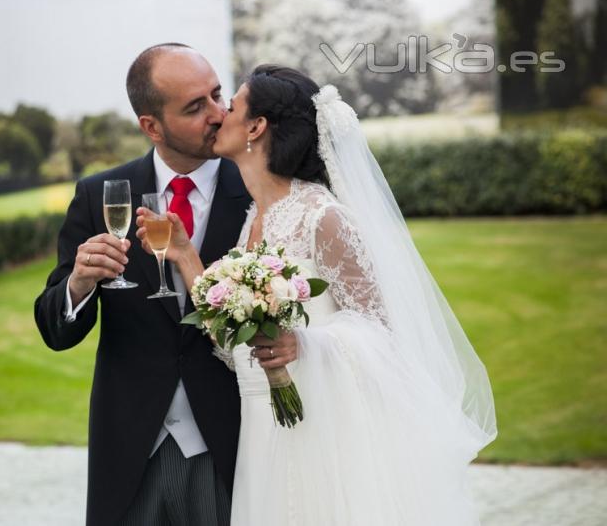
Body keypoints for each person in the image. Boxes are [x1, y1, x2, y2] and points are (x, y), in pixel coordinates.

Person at [136, 65, 498, 525]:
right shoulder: (252, 219)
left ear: (256, 127)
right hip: (262, 438)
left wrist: (308, 344)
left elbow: (384, 337)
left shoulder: (322, 217)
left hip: (323, 440)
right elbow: (235, 349)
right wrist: (186, 256)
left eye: (231, 106)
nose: (218, 114)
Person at [34, 44, 251, 526]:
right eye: (196, 107)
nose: (218, 114)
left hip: (234, 447)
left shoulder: (257, 190)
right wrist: (79, 283)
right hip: (130, 451)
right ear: (151, 126)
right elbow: (55, 329)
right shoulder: (100, 195)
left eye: (218, 95)